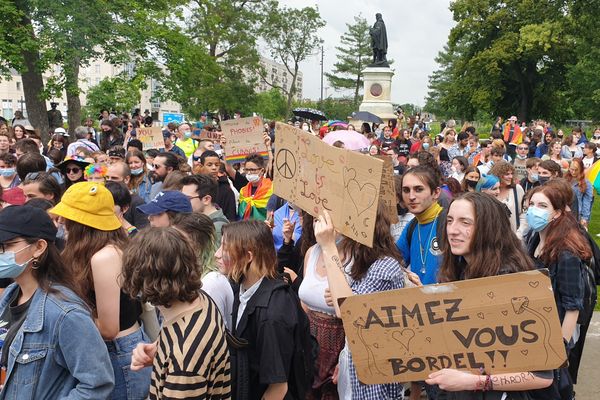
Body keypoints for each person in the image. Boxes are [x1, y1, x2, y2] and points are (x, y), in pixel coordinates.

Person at [426, 192, 554, 398]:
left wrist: (473, 382)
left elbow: (542, 376)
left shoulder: (511, 283)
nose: (452, 230)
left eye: (465, 222)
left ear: (488, 228)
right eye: (449, 221)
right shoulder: (459, 269)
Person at [0, 205, 115, 398]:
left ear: (39, 247)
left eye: (6, 246)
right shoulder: (11, 294)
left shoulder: (65, 313)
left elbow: (96, 384)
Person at [51, 182, 151, 399]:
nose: (61, 222)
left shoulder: (106, 256)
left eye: (66, 217)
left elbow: (108, 328)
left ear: (81, 223)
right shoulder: (86, 250)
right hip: (108, 351)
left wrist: (66, 322)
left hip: (119, 353)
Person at [314, 203, 414, 399]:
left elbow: (348, 311)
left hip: (374, 379)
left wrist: (328, 246)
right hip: (355, 363)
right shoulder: (363, 261)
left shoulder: (385, 266)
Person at [123, 228, 232, 399]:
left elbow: (185, 360)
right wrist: (159, 354)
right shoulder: (201, 300)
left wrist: (172, 362)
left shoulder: (183, 363)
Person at [218, 220, 312, 400]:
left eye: (225, 248)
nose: (217, 254)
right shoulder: (241, 288)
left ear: (248, 256)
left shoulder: (273, 312)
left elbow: (278, 388)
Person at [525, 184, 592, 400]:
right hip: (534, 331)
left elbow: (573, 306)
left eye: (542, 205)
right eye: (532, 204)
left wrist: (559, 349)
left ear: (558, 213)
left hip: (555, 335)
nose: (534, 210)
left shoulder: (566, 253)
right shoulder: (533, 240)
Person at [396, 166, 444, 285]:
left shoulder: (450, 223)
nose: (411, 196)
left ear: (436, 193)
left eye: (418, 189)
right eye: (406, 190)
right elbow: (393, 262)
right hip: (420, 301)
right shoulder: (411, 227)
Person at [181, 174, 229, 246]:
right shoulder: (198, 220)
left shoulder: (217, 228)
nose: (182, 202)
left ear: (206, 199)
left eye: (187, 198)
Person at [199, 150, 237, 221]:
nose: (214, 168)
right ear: (201, 166)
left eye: (217, 165)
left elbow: (231, 217)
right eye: (209, 165)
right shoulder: (195, 186)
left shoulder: (226, 190)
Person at [489, 161, 524, 232]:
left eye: (512, 174)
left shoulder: (517, 189)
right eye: (507, 174)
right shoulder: (490, 190)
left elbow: (522, 214)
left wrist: (519, 233)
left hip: (513, 234)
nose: (510, 177)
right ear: (498, 175)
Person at [565, 158, 593, 230]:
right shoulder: (564, 179)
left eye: (576, 170)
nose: (573, 172)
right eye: (572, 169)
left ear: (581, 169)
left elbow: (587, 202)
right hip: (563, 211)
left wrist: (584, 218)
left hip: (577, 213)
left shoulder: (586, 183)